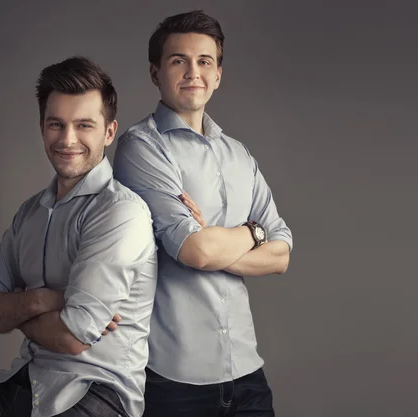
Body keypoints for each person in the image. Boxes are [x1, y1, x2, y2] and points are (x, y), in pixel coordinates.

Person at [0, 56, 158, 417]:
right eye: (56, 124)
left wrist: (14, 308)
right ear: (42, 127)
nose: (67, 139)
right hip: (26, 381)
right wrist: (47, 300)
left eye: (84, 125)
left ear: (109, 132)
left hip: (97, 393)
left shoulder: (120, 213)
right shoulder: (30, 213)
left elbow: (72, 337)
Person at [113, 10, 293, 417]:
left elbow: (282, 254)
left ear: (218, 75)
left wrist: (217, 237)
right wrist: (253, 232)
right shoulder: (141, 147)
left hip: (247, 371)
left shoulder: (239, 154)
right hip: (174, 376)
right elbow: (194, 250)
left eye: (204, 61)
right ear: (155, 72)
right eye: (179, 60)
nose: (193, 72)